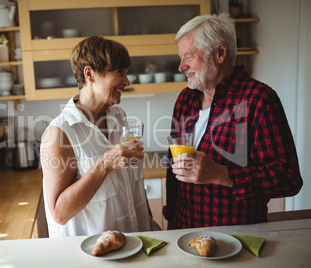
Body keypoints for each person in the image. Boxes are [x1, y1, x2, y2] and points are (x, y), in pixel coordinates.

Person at [163, 13, 303, 229]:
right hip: (183, 233)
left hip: (235, 240)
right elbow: (174, 171)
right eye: (181, 58)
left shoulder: (259, 99)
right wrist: (172, 219)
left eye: (189, 56)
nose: (181, 67)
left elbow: (288, 178)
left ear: (220, 52)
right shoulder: (185, 99)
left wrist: (222, 174)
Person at [40, 36, 160, 237]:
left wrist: (150, 227)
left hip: (135, 243)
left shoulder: (119, 118)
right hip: (91, 255)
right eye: (119, 72)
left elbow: (134, 187)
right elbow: (59, 214)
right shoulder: (61, 133)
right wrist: (104, 164)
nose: (127, 81)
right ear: (90, 74)